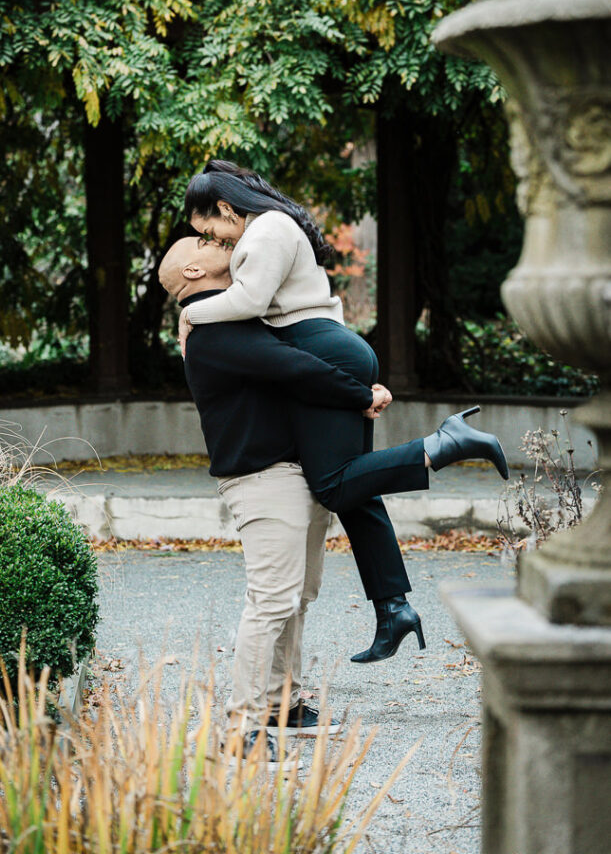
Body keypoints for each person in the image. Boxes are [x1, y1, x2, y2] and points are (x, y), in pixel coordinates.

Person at [178, 160, 509, 662]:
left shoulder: (266, 229)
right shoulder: (273, 226)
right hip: (327, 347)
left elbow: (248, 300)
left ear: (225, 208)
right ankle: (393, 607)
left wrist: (188, 313)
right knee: (356, 486)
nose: (220, 243)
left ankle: (444, 445)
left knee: (331, 482)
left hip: (319, 349)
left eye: (214, 231)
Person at [159, 236, 388, 766]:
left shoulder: (227, 315)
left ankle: (284, 705)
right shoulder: (211, 327)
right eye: (204, 240)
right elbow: (292, 366)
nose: (220, 238)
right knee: (270, 601)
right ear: (194, 269)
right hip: (262, 478)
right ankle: (242, 728)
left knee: (297, 595)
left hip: (290, 473)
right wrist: (363, 395)